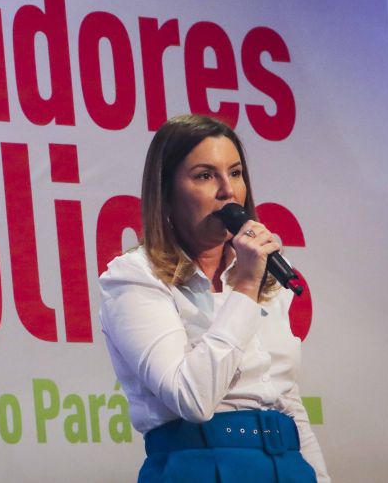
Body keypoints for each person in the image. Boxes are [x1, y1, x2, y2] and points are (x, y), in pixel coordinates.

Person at [99, 114, 330, 482]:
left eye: (235, 173)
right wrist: (244, 288)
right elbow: (191, 398)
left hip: (287, 465)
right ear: (167, 193)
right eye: (205, 176)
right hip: (199, 468)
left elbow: (286, 401)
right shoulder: (136, 277)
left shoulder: (262, 274)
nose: (228, 191)